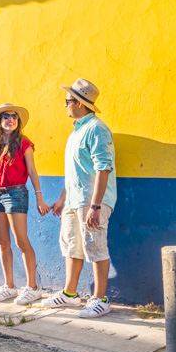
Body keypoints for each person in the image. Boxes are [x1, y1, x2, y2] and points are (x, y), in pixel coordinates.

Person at [41, 78, 117, 318]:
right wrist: (63, 198)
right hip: (74, 201)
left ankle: (100, 299)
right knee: (72, 246)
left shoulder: (97, 128)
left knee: (95, 246)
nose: (65, 106)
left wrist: (95, 205)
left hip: (91, 201)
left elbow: (103, 168)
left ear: (80, 103)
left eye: (68, 101)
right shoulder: (76, 131)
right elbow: (74, 172)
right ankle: (70, 294)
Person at [0, 103, 49, 304]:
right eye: (6, 116)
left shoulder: (24, 143)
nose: (11, 119)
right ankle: (9, 287)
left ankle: (32, 288)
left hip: (16, 194)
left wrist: (39, 197)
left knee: (21, 242)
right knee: (3, 242)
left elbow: (32, 170)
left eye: (14, 116)